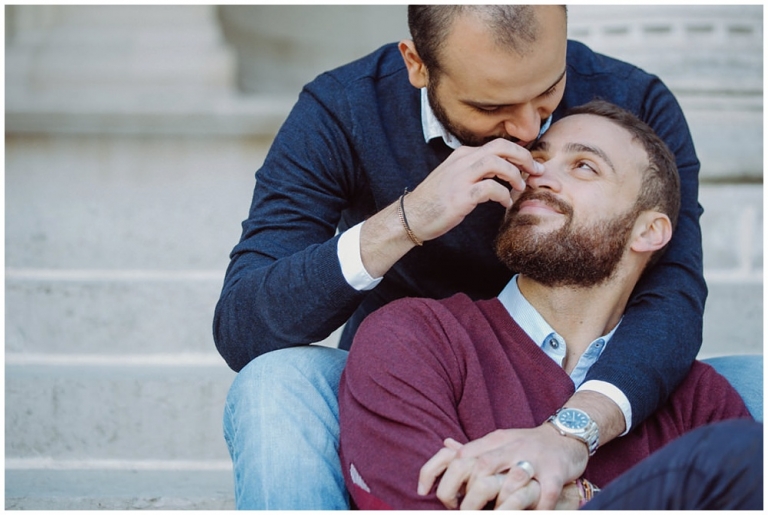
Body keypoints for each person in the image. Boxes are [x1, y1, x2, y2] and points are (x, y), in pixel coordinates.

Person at [215, 5, 762, 509]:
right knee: (274, 381)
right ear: (417, 65)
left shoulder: (633, 99)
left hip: (601, 377)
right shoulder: (343, 110)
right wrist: (407, 220)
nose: (528, 133)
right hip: (416, 371)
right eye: (490, 106)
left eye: (549, 92)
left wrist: (571, 434)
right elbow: (246, 326)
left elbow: (674, 295)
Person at [338, 101, 756, 510]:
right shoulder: (414, 338)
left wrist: (578, 497)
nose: (540, 176)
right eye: (534, 160)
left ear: (648, 231)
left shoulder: (700, 401)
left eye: (584, 166)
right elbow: (414, 497)